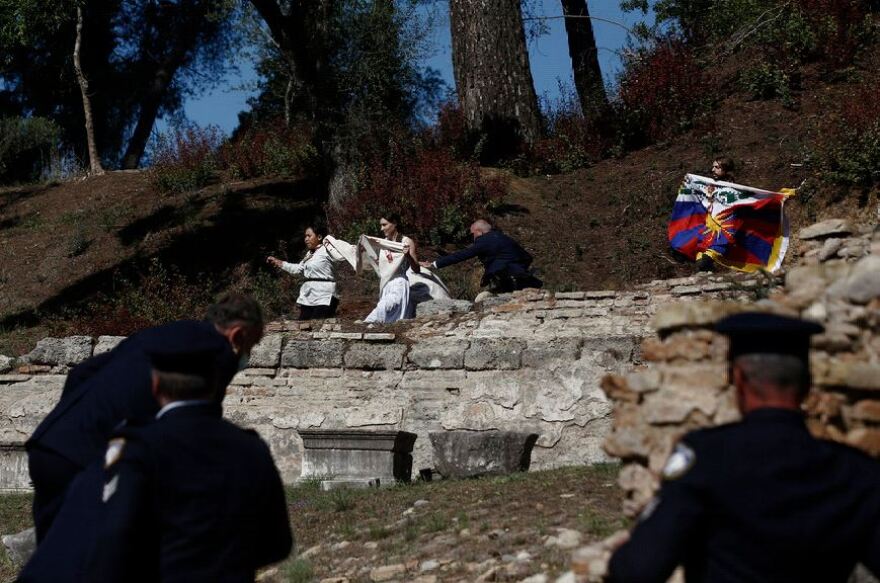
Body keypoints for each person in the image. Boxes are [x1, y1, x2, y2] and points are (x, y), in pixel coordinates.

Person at [608, 312, 880, 583]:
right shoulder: (855, 472)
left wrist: (622, 557)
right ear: (808, 384)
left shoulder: (705, 457)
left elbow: (640, 568)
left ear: (738, 378)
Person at [20, 353, 292, 583]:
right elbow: (278, 544)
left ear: (156, 386)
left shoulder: (132, 448)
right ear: (216, 385)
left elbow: (110, 535)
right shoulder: (252, 448)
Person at [25, 293, 264, 542]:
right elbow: (196, 423)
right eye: (250, 345)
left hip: (50, 442)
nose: (246, 354)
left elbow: (80, 373)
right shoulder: (215, 354)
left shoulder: (163, 334)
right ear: (238, 335)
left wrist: (74, 426)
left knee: (53, 552)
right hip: (89, 457)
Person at [420, 219, 542, 294]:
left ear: (479, 231)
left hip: (508, 277)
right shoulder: (501, 236)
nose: (472, 237)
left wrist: (434, 264)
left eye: (472, 233)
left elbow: (461, 255)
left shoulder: (484, 241)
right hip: (521, 272)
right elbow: (525, 256)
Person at [267, 223, 339, 320]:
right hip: (309, 295)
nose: (306, 239)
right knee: (303, 325)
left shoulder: (328, 250)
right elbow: (298, 269)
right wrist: (279, 262)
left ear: (319, 237)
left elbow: (344, 253)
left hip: (325, 294)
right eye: (305, 236)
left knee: (317, 324)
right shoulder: (309, 254)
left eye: (309, 236)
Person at [364, 213, 420, 324]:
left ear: (394, 224)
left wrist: (408, 255)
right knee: (387, 319)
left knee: (382, 308)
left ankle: (365, 323)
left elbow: (416, 269)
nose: (381, 228)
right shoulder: (382, 243)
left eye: (384, 225)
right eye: (381, 225)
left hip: (399, 283)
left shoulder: (406, 242)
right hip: (385, 284)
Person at [695, 157, 736, 272]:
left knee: (706, 259)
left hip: (724, 225)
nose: (712, 170)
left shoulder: (735, 188)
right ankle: (710, 273)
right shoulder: (710, 185)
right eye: (713, 167)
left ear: (725, 169)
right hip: (709, 224)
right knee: (700, 260)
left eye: (717, 167)